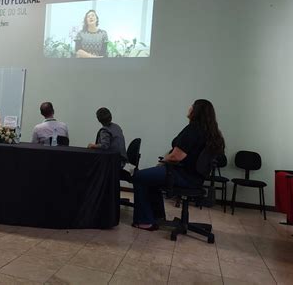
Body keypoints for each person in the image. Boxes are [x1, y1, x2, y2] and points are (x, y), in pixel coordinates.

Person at [132, 99, 225, 231]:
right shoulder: (213, 134)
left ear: (196, 111)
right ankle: (157, 216)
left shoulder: (193, 129)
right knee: (150, 179)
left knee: (139, 176)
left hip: (182, 175)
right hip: (196, 179)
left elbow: (176, 156)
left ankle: (145, 221)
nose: (189, 108)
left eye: (192, 106)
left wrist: (162, 162)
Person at [88, 107, 128, 178]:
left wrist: (93, 145)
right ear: (111, 116)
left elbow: (104, 146)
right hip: (122, 161)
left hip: (114, 163)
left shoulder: (104, 131)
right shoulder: (117, 127)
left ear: (98, 120)